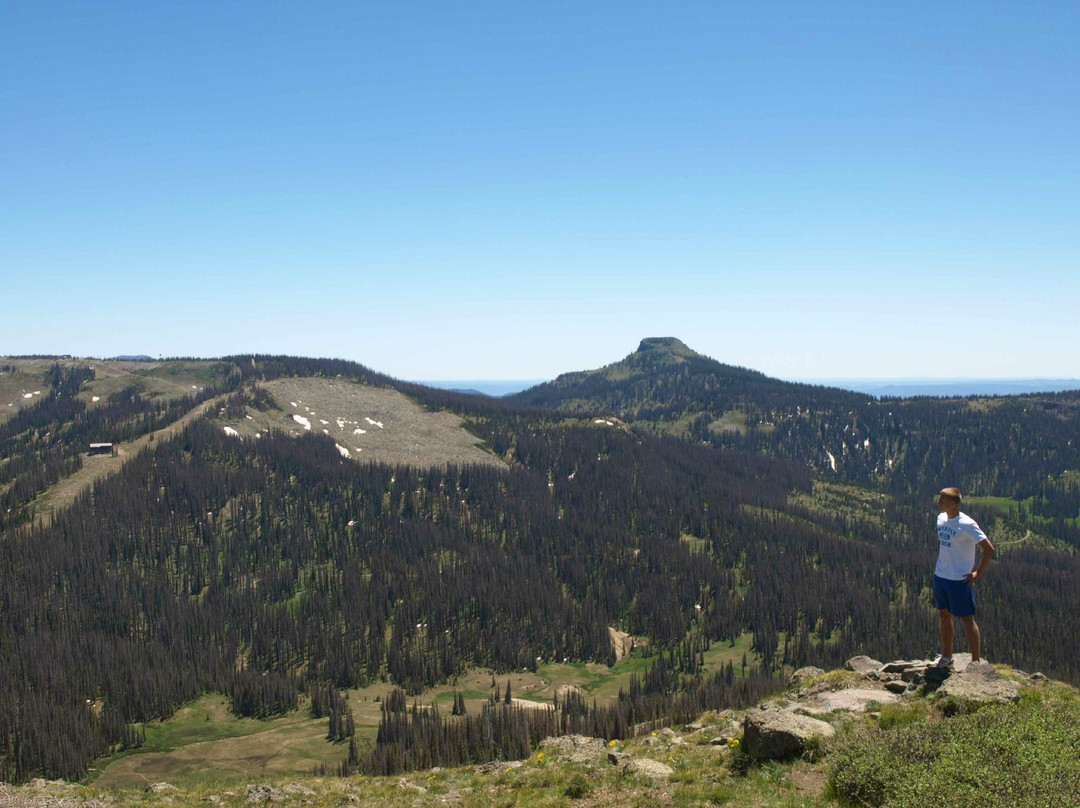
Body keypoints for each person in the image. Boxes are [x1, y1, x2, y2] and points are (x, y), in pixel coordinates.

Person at [932, 487, 994, 666]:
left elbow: (989, 549)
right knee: (944, 615)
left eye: (942, 500)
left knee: (967, 618)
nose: (938, 502)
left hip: (960, 580)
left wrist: (978, 573)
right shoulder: (941, 519)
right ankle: (947, 657)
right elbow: (943, 542)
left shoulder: (967, 524)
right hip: (941, 576)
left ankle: (975, 662)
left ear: (953, 504)